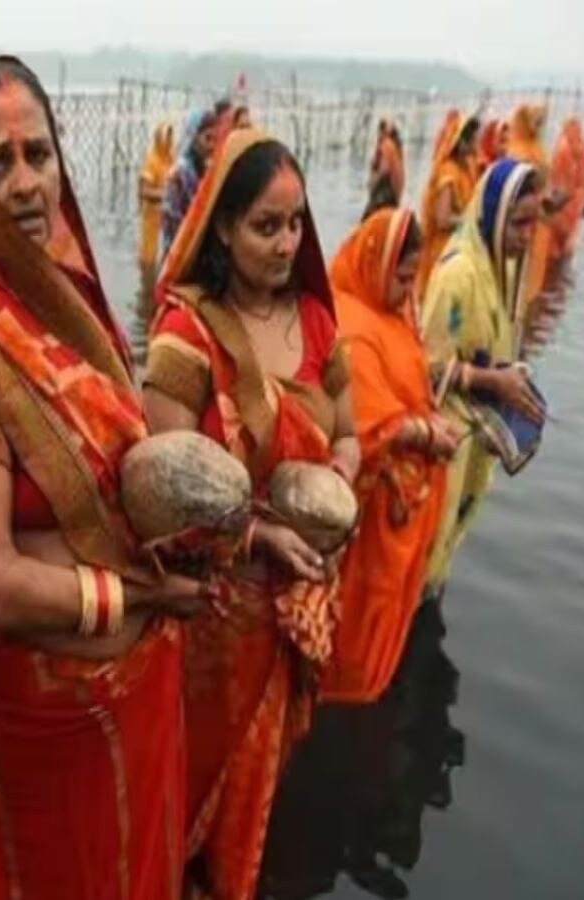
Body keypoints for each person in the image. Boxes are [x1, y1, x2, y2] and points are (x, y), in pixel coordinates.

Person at [0, 56, 204, 900]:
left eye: (39, 153)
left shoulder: (65, 297)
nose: (27, 183)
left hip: (132, 689)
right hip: (46, 728)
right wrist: (137, 599)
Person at [145, 130, 360, 900]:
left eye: (296, 223)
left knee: (259, 779)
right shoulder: (187, 335)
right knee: (187, 782)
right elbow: (164, 487)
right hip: (210, 614)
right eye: (266, 226)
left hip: (292, 601)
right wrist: (263, 531)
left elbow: (348, 434)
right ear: (223, 228)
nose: (285, 241)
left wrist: (336, 484)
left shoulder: (318, 322)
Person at [322, 207, 459, 704]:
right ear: (375, 264)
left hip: (399, 508)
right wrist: (425, 431)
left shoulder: (391, 314)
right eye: (401, 277)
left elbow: (409, 386)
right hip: (369, 511)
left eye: (411, 277)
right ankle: (346, 693)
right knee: (358, 619)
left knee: (381, 616)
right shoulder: (354, 328)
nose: (409, 289)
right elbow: (368, 424)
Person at [420, 158, 545, 598]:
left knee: (448, 545)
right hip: (445, 440)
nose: (526, 236)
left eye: (533, 222)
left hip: (475, 435)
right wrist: (494, 383)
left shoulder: (501, 267)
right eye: (517, 223)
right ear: (493, 216)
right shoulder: (458, 273)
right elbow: (427, 368)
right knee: (427, 550)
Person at [415, 111, 479, 302]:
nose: (478, 142)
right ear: (462, 143)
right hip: (443, 251)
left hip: (458, 247)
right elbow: (442, 219)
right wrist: (471, 221)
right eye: (474, 139)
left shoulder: (466, 169)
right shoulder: (448, 173)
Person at [506, 104, 563, 313]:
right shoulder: (517, 151)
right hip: (524, 219)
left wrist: (551, 200)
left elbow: (542, 183)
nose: (538, 127)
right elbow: (516, 193)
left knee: (530, 278)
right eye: (535, 121)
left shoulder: (536, 148)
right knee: (516, 275)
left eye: (541, 123)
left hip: (538, 220)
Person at [162, 108, 219, 254]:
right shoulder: (178, 174)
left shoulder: (208, 171)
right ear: (193, 138)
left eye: (215, 140)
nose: (212, 146)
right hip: (179, 253)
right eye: (207, 138)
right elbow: (172, 224)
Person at [546, 117, 584, 287]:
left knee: (553, 251)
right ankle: (562, 283)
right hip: (577, 203)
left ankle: (552, 284)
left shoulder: (561, 148)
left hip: (561, 205)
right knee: (568, 249)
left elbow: (554, 179)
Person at [138, 122, 175, 280]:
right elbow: (145, 190)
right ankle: (146, 278)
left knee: (168, 249)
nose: (168, 141)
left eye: (170, 137)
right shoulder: (152, 160)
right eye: (166, 137)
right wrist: (164, 194)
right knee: (149, 254)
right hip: (152, 210)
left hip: (166, 211)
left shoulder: (170, 158)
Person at [364, 119, 406, 217]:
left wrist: (373, 180)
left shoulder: (386, 145)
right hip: (393, 198)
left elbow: (384, 169)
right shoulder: (396, 149)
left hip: (384, 196)